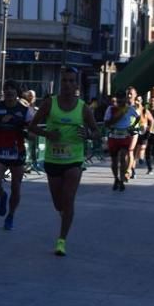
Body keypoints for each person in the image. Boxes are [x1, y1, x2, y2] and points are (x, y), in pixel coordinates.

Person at [28, 68, 100, 256]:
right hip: (53, 159)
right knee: (58, 204)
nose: (67, 84)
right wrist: (48, 134)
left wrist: (88, 135)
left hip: (74, 159)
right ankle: (65, 215)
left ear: (76, 85)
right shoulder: (49, 103)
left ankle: (61, 240)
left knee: (68, 199)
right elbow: (32, 126)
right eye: (65, 81)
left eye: (71, 81)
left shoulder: (83, 107)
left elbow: (96, 132)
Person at [0, 79, 29, 231]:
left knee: (16, 187)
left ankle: (10, 215)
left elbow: (32, 131)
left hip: (17, 150)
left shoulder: (24, 110)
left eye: (12, 89)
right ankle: (2, 195)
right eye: (7, 89)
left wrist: (23, 129)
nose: (10, 92)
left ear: (17, 93)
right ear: (3, 92)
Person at [104, 88, 140, 191]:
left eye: (122, 98)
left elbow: (138, 117)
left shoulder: (129, 109)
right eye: (118, 98)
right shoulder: (110, 109)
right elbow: (106, 123)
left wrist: (132, 126)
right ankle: (116, 179)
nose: (120, 100)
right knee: (114, 161)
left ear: (124, 98)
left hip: (124, 137)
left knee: (123, 158)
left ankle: (122, 179)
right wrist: (115, 119)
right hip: (113, 137)